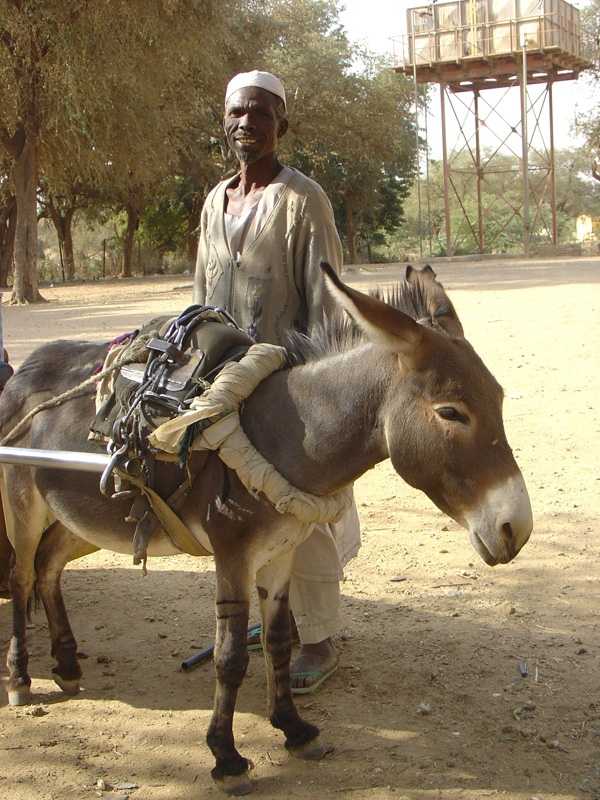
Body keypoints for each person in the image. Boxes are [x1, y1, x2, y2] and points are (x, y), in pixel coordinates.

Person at [193, 70, 360, 693]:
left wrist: (322, 392)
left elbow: (324, 299)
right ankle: (265, 620)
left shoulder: (302, 199)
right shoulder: (215, 199)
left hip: (288, 386)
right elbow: (201, 295)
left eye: (261, 115)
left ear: (280, 125)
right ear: (224, 121)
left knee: (301, 512)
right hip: (225, 380)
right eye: (237, 113)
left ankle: (317, 638)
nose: (247, 125)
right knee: (236, 506)